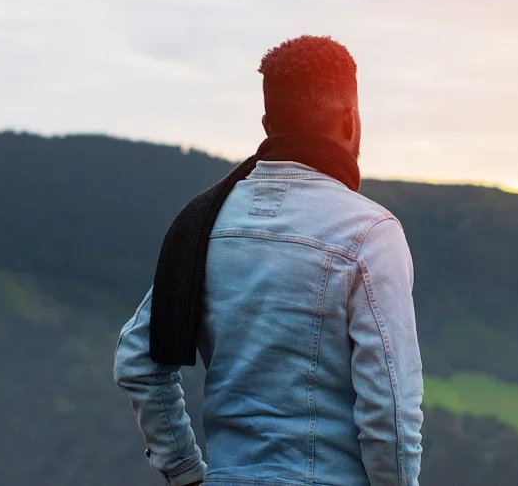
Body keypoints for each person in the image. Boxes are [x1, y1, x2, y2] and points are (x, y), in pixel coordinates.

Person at [114, 35, 424, 486]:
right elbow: (391, 414)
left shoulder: (204, 221)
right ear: (351, 119)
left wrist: (186, 472)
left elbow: (138, 362)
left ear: (266, 123)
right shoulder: (370, 234)